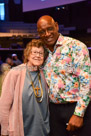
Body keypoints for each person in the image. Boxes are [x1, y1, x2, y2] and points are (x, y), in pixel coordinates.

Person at [37, 15, 91, 136]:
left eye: (50, 29)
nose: (47, 34)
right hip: (53, 112)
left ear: (56, 26)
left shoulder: (76, 46)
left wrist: (78, 113)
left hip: (75, 107)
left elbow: (87, 82)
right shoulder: (41, 51)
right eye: (42, 31)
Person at [0, 39, 50, 136]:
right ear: (27, 54)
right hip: (21, 129)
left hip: (43, 129)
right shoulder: (15, 73)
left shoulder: (45, 73)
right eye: (34, 52)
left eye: (41, 53)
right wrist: (4, 130)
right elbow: (4, 105)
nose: (38, 55)